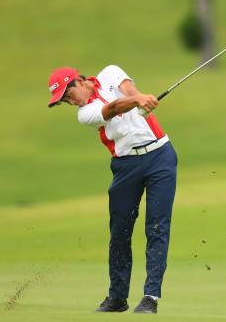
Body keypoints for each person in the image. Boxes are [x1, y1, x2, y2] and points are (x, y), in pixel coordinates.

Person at [47, 65, 177, 314]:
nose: (69, 101)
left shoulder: (109, 72)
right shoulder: (85, 114)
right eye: (64, 100)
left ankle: (150, 297)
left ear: (79, 81)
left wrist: (138, 95)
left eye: (68, 94)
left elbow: (127, 88)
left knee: (157, 226)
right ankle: (117, 298)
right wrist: (137, 100)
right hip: (125, 164)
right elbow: (114, 108)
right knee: (120, 231)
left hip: (160, 156)